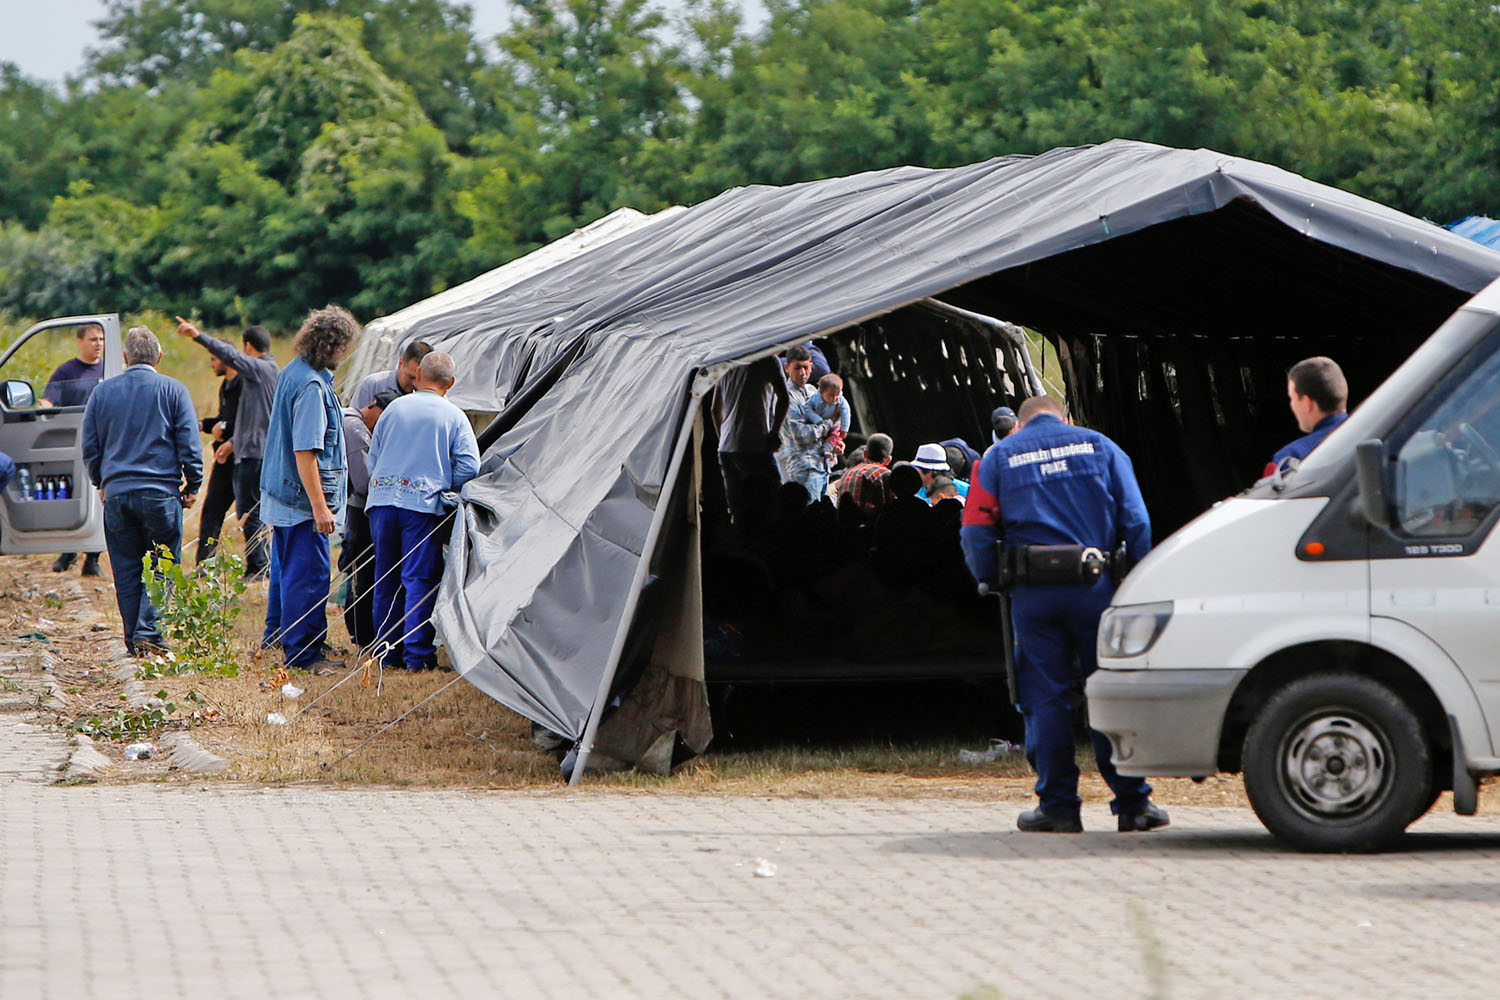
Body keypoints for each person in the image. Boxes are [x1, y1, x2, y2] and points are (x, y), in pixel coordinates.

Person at [960, 396, 1166, 835]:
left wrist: (991, 578)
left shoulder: (998, 457)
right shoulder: (1101, 446)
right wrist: (1135, 581)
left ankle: (1058, 807)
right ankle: (1133, 804)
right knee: (1109, 691)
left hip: (1034, 595)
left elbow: (975, 528)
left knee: (1045, 697)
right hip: (1097, 589)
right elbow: (1137, 520)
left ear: (1019, 424)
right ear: (1065, 417)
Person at [81, 326, 202, 657]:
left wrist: (101, 482)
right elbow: (190, 445)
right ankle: (149, 631)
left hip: (118, 494)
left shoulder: (102, 393)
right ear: (159, 357)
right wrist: (192, 485)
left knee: (126, 567)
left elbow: (90, 447)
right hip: (160, 493)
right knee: (163, 562)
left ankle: (134, 637)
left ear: (124, 357)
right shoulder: (174, 391)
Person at [258, 306, 360, 674]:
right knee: (309, 577)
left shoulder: (294, 372)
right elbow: (305, 452)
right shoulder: (313, 387)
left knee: (291, 572)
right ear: (333, 345)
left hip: (282, 493)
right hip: (302, 501)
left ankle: (298, 639)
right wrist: (320, 507)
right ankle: (304, 655)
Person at [365, 352, 480, 671]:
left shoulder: (393, 410)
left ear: (417, 376)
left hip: (381, 503)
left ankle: (386, 654)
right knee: (418, 578)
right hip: (421, 505)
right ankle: (417, 656)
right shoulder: (454, 416)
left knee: (385, 578)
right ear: (451, 383)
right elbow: (470, 465)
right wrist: (446, 488)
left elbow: (372, 459)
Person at [176, 319, 279, 580]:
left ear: (247, 346)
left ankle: (259, 567)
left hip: (254, 454)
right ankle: (213, 566)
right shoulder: (263, 376)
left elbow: (229, 354)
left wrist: (197, 334)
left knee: (251, 512)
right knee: (239, 510)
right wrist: (231, 441)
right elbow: (254, 418)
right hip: (247, 450)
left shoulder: (259, 370)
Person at [43, 322, 106, 576]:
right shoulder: (67, 372)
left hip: (105, 446)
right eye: (93, 339)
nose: (99, 343)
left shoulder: (110, 370)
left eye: (101, 339)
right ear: (80, 341)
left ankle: (93, 559)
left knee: (100, 502)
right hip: (74, 445)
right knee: (73, 498)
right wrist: (43, 407)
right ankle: (68, 552)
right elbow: (50, 399)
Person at [339, 390, 395, 650]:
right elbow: (363, 482)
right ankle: (363, 635)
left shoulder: (354, 424)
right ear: (373, 407)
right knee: (362, 572)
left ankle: (362, 631)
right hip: (359, 511)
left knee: (360, 571)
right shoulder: (356, 429)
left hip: (355, 509)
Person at [715, 356, 790, 522]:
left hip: (726, 448)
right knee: (772, 502)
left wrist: (724, 438)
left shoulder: (726, 361)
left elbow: (715, 409)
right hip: (755, 444)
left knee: (737, 508)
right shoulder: (768, 359)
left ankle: (741, 542)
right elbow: (784, 399)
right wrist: (775, 432)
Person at [1265, 356, 1348, 477]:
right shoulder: (1379, 436)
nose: (1292, 405)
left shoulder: (1288, 460)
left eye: (1292, 398)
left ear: (1306, 403)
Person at [194, 355, 241, 564]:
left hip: (242, 457)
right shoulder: (226, 385)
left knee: (250, 512)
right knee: (212, 509)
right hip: (224, 459)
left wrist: (225, 432)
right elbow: (224, 420)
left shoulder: (244, 385)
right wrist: (202, 424)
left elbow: (247, 422)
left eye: (213, 358)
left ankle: (258, 565)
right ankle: (205, 563)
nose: (211, 363)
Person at [350, 340, 435, 410]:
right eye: (411, 377)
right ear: (401, 364)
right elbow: (352, 422)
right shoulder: (372, 385)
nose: (415, 383)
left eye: (419, 379)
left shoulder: (430, 398)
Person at [837, 432, 894, 521]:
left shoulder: (847, 473)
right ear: (888, 460)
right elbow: (890, 508)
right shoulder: (884, 474)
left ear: (865, 454)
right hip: (869, 528)